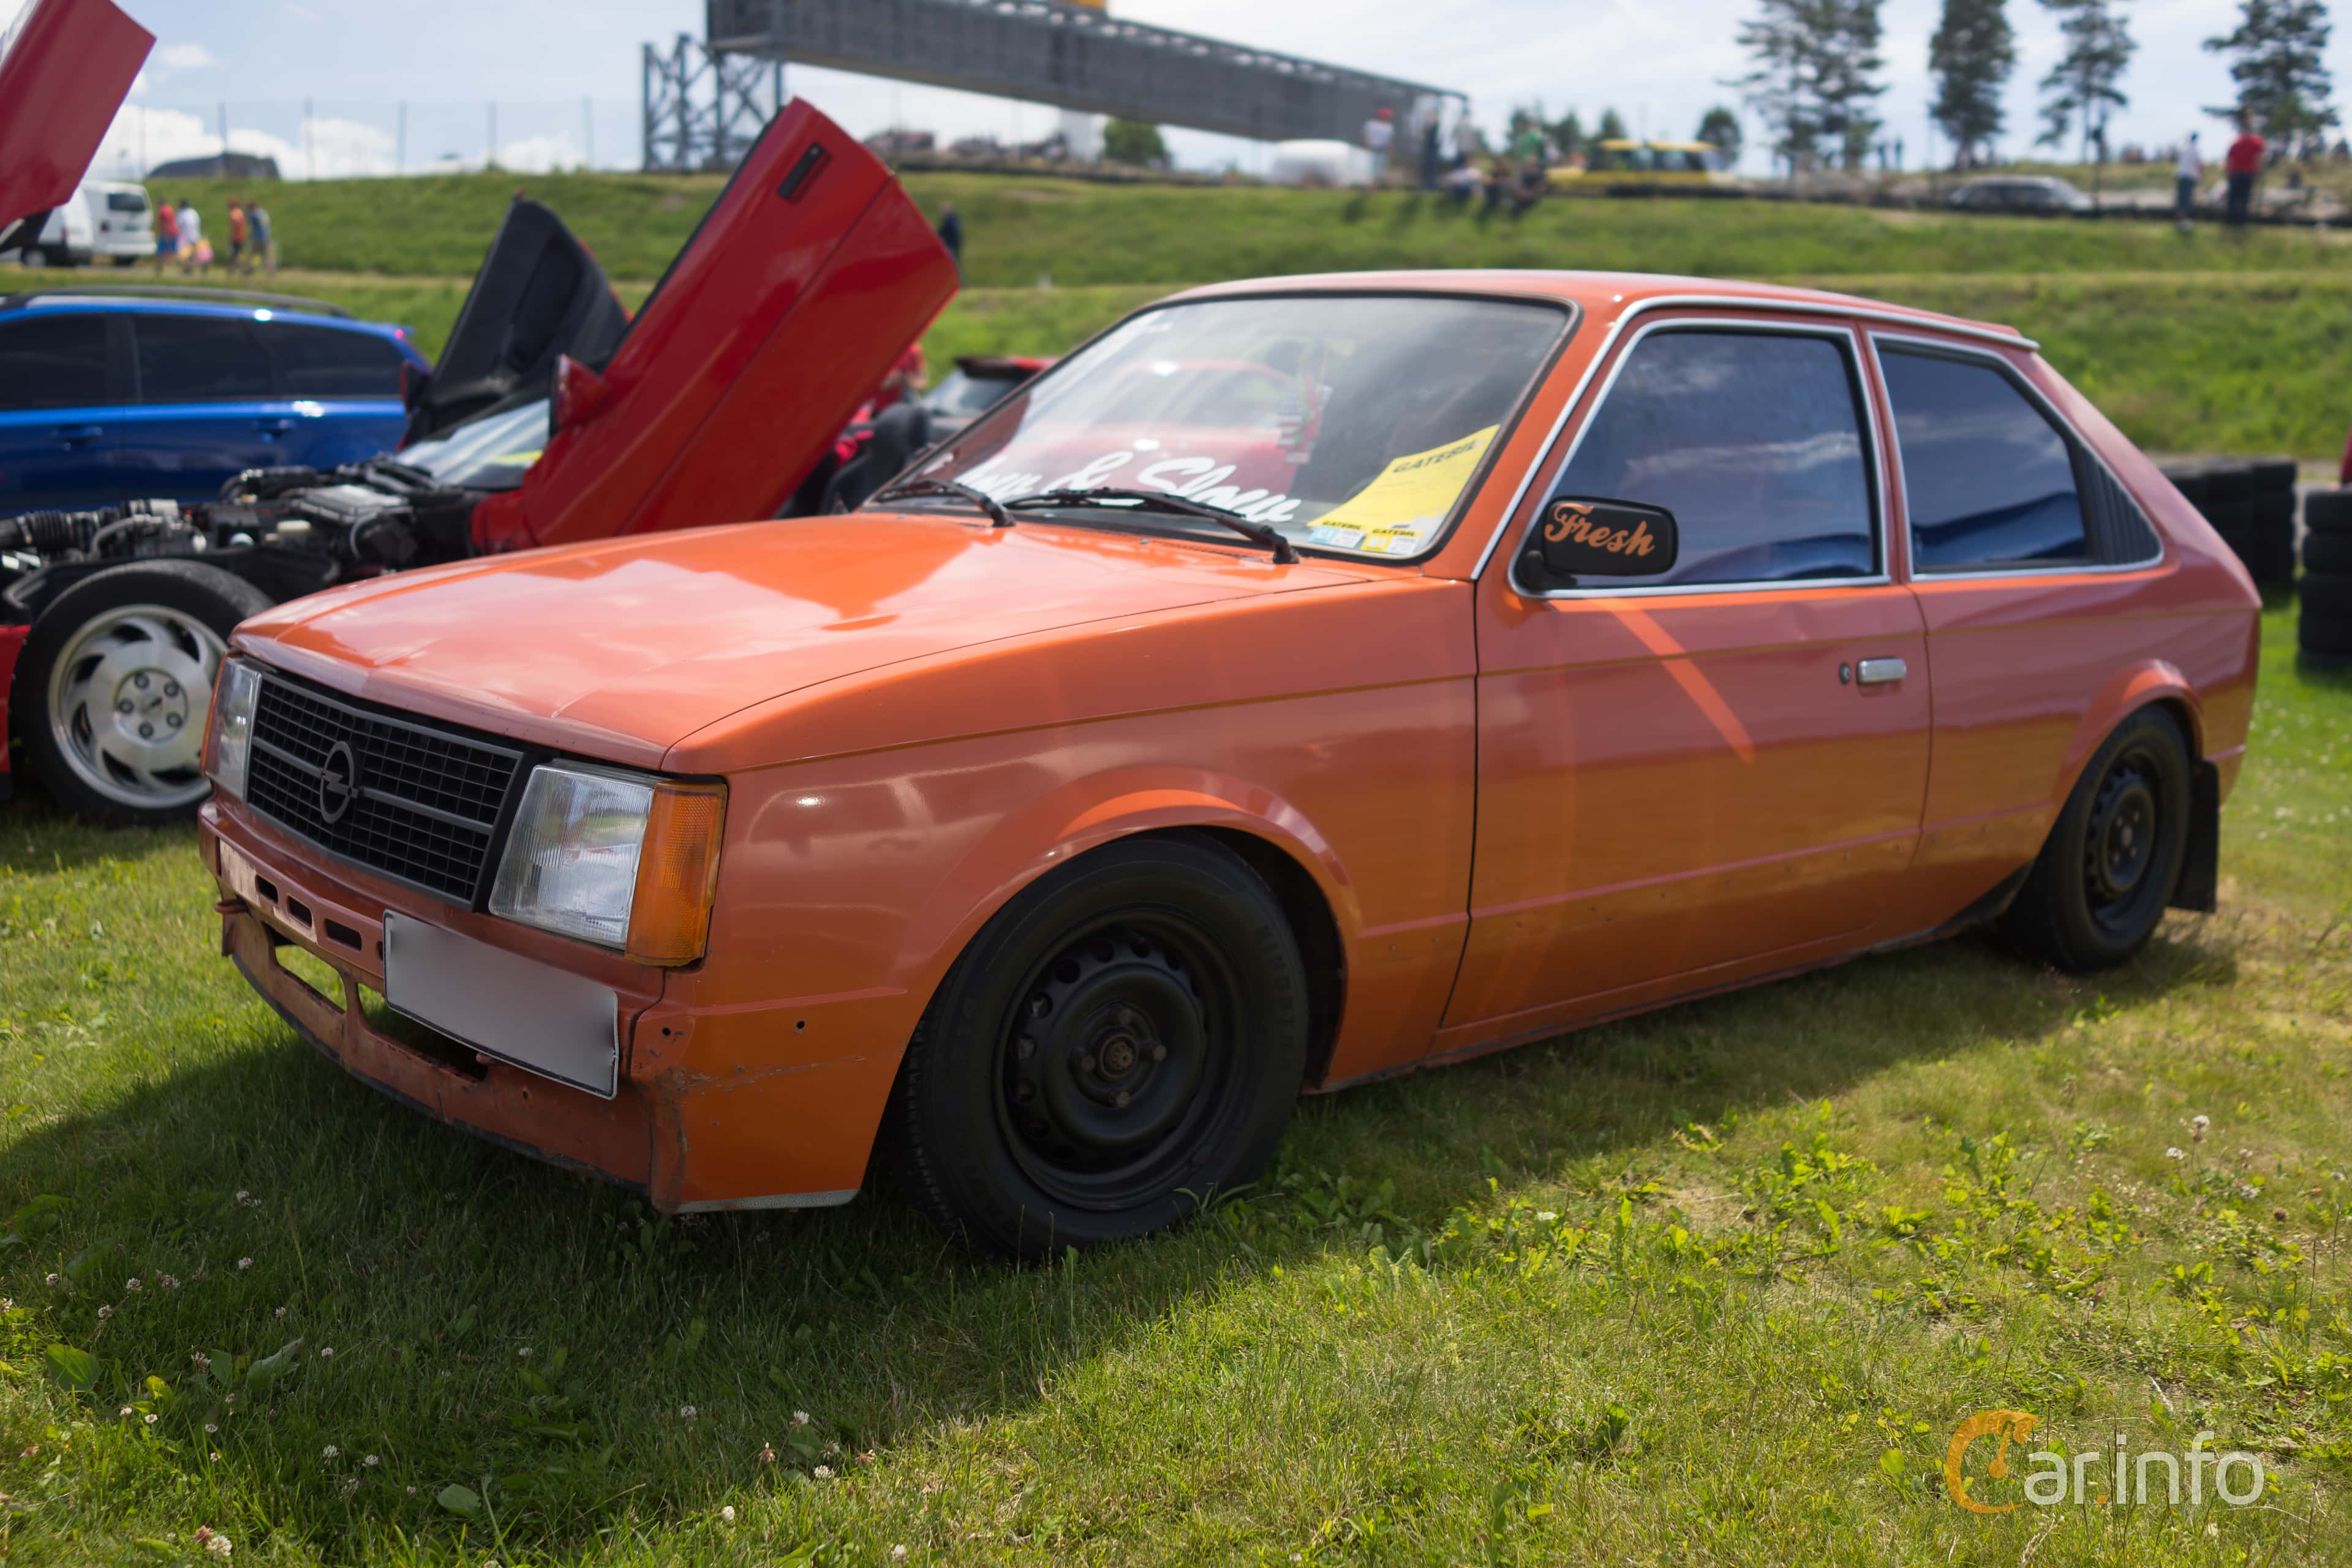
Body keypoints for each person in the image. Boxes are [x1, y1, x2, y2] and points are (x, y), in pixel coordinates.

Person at [2225, 119, 2265, 226]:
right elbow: (2260, 158)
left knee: (2234, 198)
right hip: (2247, 173)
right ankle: (2241, 220)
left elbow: (2229, 158)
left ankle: (2232, 220)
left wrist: (2228, 171)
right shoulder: (2256, 142)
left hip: (2236, 173)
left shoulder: (2236, 142)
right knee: (2244, 198)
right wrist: (2259, 171)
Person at [2175, 133, 2202, 227]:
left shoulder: (2184, 148)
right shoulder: (2195, 150)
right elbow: (2198, 164)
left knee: (2181, 198)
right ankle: (2185, 219)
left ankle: (2180, 218)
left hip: (2181, 175)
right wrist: (2200, 176)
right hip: (2189, 176)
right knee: (2187, 198)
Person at [1362, 107, 1394, 184]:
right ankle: (1369, 185)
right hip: (1372, 149)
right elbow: (1366, 136)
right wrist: (1367, 147)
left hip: (1382, 149)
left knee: (1380, 169)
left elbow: (1390, 140)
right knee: (1370, 169)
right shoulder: (1371, 124)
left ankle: (1376, 185)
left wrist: (1390, 151)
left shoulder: (1389, 127)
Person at [935, 201, 963, 273]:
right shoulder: (953, 219)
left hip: (951, 245)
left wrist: (937, 233)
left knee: (954, 265)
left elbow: (946, 231)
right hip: (952, 245)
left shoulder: (950, 220)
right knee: (954, 264)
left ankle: (960, 282)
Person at [175, 201, 202, 272]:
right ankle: (189, 268)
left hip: (185, 237)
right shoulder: (194, 212)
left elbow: (178, 225)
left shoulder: (181, 213)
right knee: (191, 254)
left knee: (184, 254)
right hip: (195, 236)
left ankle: (188, 268)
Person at [246, 199, 273, 273]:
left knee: (251, 254)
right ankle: (271, 271)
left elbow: (248, 221)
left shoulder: (253, 214)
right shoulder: (264, 213)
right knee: (267, 255)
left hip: (258, 238)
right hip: (266, 237)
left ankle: (249, 270)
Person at [153, 200, 177, 269]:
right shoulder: (169, 209)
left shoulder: (163, 211)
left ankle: (159, 267)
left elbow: (166, 223)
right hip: (172, 232)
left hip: (166, 233)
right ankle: (160, 267)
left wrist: (167, 234)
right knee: (171, 251)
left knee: (160, 251)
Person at [226, 200, 247, 271]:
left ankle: (235, 268)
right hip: (242, 235)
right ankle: (236, 267)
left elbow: (235, 225)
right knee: (237, 253)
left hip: (236, 236)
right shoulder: (241, 212)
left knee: (234, 253)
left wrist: (232, 236)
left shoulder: (233, 213)